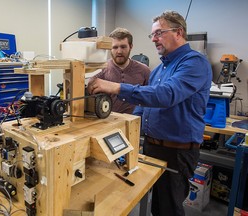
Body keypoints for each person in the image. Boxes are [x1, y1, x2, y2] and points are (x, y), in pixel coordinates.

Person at [88, 10, 212, 216]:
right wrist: (120, 125)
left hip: (176, 152)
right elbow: (145, 107)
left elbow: (165, 95)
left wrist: (116, 87)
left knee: (168, 208)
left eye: (159, 33)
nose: (154, 39)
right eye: (152, 35)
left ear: (178, 32)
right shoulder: (160, 69)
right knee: (158, 206)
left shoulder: (194, 63)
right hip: (153, 147)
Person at [87, 27, 150, 114]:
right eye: (115, 47)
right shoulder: (99, 71)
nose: (119, 51)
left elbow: (150, 98)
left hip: (135, 123)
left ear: (131, 47)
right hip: (108, 123)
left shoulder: (144, 71)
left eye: (123, 47)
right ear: (110, 48)